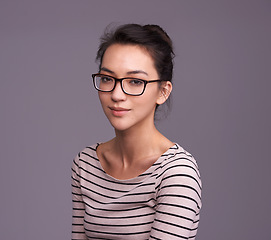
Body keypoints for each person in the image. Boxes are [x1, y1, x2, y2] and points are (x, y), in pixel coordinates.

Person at [71, 23, 202, 240]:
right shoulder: (85, 164)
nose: (117, 94)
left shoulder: (176, 172)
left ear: (163, 91)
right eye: (107, 78)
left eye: (134, 81)